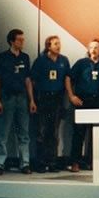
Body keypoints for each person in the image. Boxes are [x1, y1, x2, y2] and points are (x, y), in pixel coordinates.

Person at [0, 29, 36, 175]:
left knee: (24, 133)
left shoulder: (25, 57)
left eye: (23, 40)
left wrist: (31, 100)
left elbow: (27, 80)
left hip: (22, 98)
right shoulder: (3, 57)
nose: (22, 42)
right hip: (7, 97)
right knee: (3, 133)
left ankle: (25, 164)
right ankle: (0, 164)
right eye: (20, 40)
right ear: (12, 41)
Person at [66, 39, 99, 173]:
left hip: (98, 102)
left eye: (96, 47)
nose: (93, 50)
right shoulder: (81, 63)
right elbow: (68, 78)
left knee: (95, 133)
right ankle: (75, 163)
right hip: (82, 101)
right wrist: (71, 96)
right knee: (79, 133)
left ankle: (92, 162)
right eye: (91, 47)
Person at [31, 35, 71, 173]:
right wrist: (35, 97)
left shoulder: (64, 61)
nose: (58, 46)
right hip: (43, 99)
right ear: (48, 46)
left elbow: (67, 78)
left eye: (59, 43)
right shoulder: (41, 61)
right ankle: (40, 163)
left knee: (54, 133)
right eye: (55, 44)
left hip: (57, 99)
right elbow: (33, 80)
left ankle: (52, 161)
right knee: (41, 131)